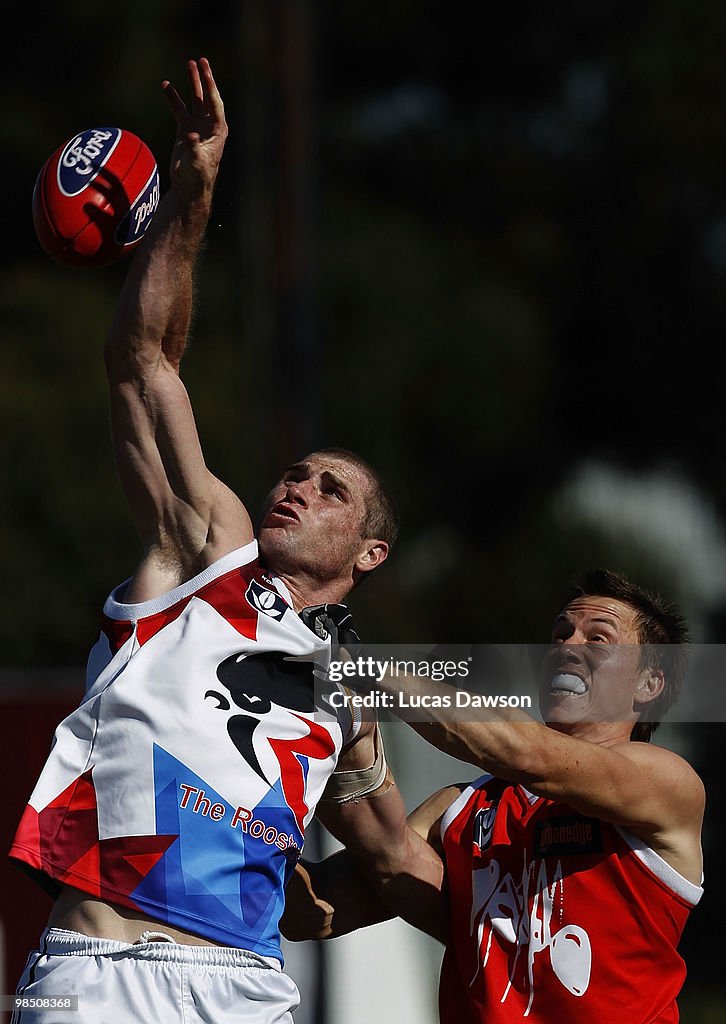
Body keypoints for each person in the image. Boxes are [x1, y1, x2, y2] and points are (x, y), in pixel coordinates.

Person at [8, 57, 441, 1024]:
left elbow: (395, 862)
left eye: (332, 491)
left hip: (245, 992)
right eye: (297, 473)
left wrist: (530, 895)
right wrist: (193, 188)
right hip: (106, 971)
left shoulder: (347, 696)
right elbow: (141, 362)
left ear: (369, 554)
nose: (298, 488)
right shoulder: (211, 555)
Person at [283, 568, 705, 1024]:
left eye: (598, 639)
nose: (567, 646)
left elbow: (529, 753)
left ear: (648, 684)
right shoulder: (460, 807)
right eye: (560, 634)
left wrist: (359, 665)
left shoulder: (666, 781)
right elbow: (313, 911)